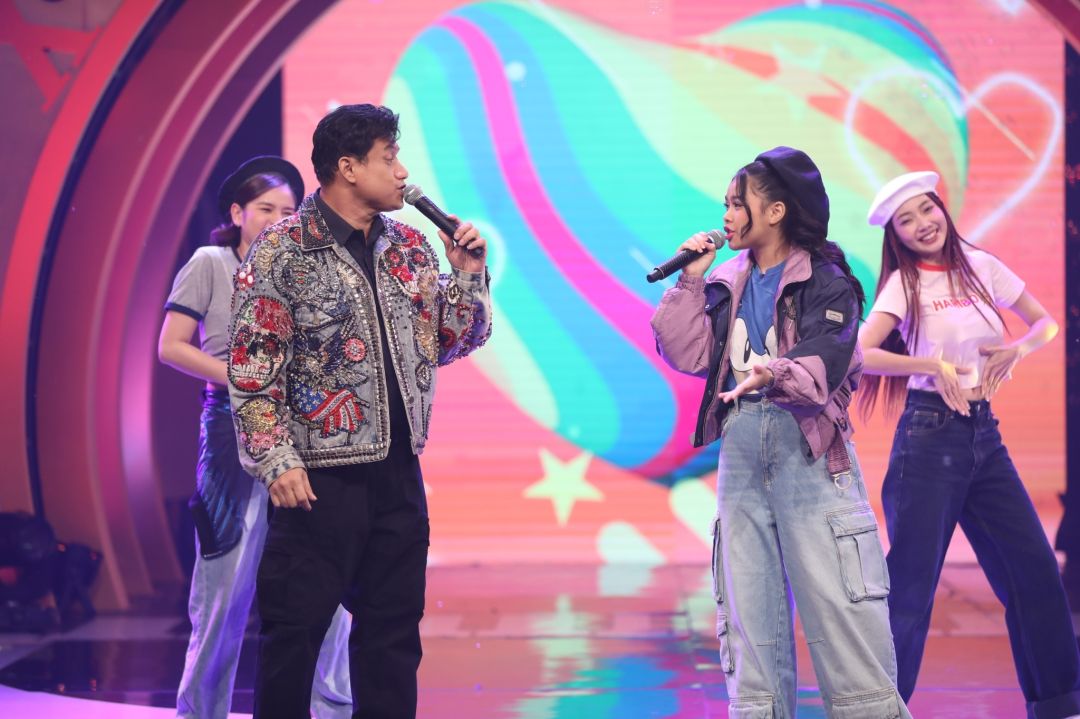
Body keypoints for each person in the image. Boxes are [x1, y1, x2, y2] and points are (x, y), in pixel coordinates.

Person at [225, 104, 491, 719]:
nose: (403, 172)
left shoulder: (410, 247)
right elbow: (252, 369)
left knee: (392, 639)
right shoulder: (282, 251)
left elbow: (449, 341)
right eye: (388, 158)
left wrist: (467, 278)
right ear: (348, 168)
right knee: (292, 640)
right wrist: (275, 459)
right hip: (318, 481)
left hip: (398, 477)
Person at [651, 147, 910, 718]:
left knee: (842, 613)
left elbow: (825, 367)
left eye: (736, 203)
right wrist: (690, 281)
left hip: (809, 452)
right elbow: (687, 351)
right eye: (724, 204)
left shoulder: (828, 282)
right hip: (742, 451)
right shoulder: (726, 280)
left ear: (774, 211)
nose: (725, 216)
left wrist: (774, 373)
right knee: (750, 620)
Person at [856, 170, 1080, 718]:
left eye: (926, 210)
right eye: (906, 221)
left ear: (942, 209)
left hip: (984, 435)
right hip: (928, 437)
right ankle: (878, 709)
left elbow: (1045, 324)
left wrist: (1017, 350)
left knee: (1034, 573)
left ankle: (1060, 705)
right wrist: (930, 365)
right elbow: (862, 353)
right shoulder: (905, 284)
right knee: (911, 592)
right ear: (896, 235)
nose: (922, 224)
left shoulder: (981, 265)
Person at [160, 156, 353, 718]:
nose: (276, 219)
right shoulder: (211, 262)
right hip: (231, 429)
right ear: (237, 212)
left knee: (330, 585)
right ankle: (202, 710)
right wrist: (247, 379)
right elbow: (171, 346)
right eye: (265, 208)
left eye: (288, 211)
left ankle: (332, 709)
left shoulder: (304, 267)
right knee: (226, 585)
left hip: (304, 430)